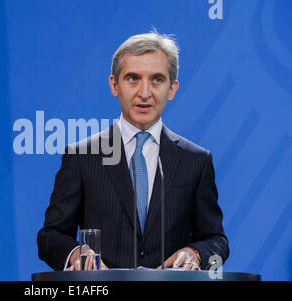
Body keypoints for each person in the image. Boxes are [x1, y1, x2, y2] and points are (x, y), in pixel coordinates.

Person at [37, 31, 229, 271]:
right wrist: (76, 253)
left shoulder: (196, 160)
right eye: (133, 78)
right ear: (114, 85)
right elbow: (49, 237)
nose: (145, 93)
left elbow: (216, 240)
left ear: (172, 88)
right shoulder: (82, 157)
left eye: (157, 79)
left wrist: (195, 253)